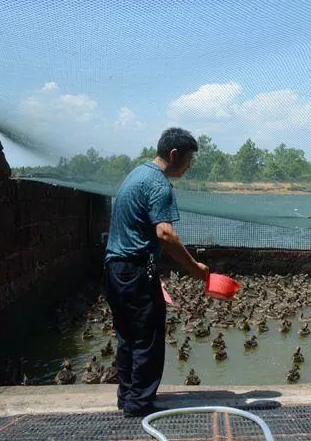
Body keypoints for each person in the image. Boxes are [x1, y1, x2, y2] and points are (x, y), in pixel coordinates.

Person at [104, 127, 209, 417]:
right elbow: (165, 234)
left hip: (116, 269)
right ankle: (140, 404)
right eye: (189, 160)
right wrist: (195, 269)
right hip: (136, 269)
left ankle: (126, 397)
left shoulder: (136, 175)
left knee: (127, 336)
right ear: (174, 155)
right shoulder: (159, 185)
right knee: (147, 338)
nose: (189, 167)